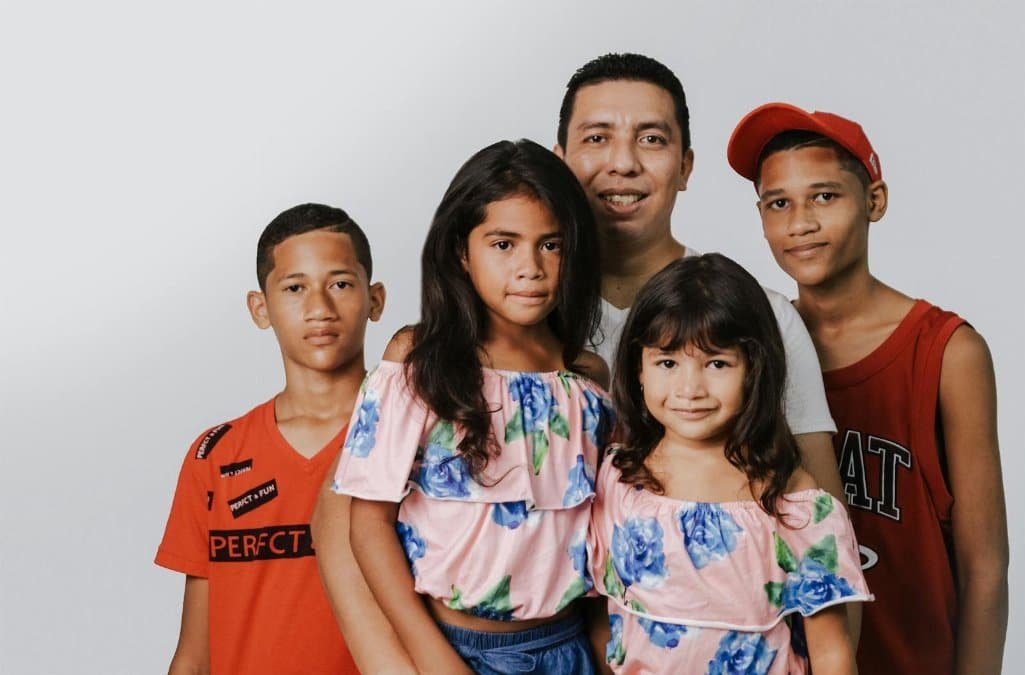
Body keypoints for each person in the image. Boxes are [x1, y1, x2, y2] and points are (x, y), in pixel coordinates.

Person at [727, 103, 1010, 675]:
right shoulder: (747, 348)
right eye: (778, 204)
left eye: (825, 197)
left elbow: (985, 569)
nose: (800, 222)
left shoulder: (947, 352)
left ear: (874, 201)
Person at [329, 139, 615, 674]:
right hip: (456, 649)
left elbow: (600, 533)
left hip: (568, 647)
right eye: (503, 244)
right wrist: (432, 656)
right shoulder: (420, 360)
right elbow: (367, 523)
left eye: (550, 245)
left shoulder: (585, 379)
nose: (530, 267)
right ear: (461, 251)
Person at [551, 53, 846, 515]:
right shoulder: (516, 311)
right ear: (560, 162)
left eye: (650, 139)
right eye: (597, 138)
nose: (623, 162)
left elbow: (823, 516)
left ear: (685, 167)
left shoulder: (760, 314)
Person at [591, 253, 872, 674]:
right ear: (639, 368)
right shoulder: (619, 477)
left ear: (754, 370)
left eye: (717, 363)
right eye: (668, 362)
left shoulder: (790, 499)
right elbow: (604, 616)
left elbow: (832, 651)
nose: (690, 388)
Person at [155, 203, 396, 674]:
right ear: (260, 308)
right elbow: (194, 652)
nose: (319, 308)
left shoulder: (413, 438)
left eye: (341, 284)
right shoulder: (216, 454)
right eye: (295, 288)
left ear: (376, 300)